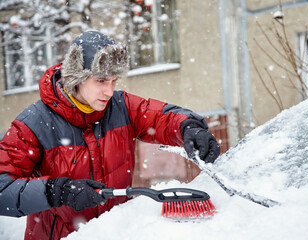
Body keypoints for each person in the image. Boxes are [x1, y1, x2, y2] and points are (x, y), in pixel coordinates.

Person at [0, 31, 220, 240]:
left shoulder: (120, 107)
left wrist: (189, 128)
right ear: (77, 77)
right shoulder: (33, 124)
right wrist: (58, 191)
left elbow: (161, 118)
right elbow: (3, 190)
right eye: (101, 81)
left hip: (115, 233)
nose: (109, 91)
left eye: (114, 81)